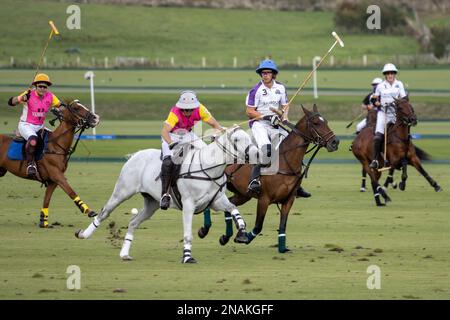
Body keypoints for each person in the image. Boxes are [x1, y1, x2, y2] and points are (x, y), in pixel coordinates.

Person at [245, 59, 310, 198]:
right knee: (266, 149)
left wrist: (284, 117)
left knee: (292, 147)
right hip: (259, 124)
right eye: (263, 73)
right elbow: (250, 111)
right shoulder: (256, 90)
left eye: (268, 72)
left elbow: (285, 106)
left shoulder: (280, 88)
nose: (265, 75)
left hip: (275, 124)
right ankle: (254, 180)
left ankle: (297, 185)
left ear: (273, 74)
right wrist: (266, 117)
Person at [160, 90, 223, 210]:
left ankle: (211, 187)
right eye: (185, 109)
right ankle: (165, 195)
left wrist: (216, 134)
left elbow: (216, 125)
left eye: (190, 109)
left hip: (188, 135)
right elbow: (164, 132)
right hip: (172, 136)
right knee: (169, 162)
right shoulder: (174, 112)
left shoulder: (200, 109)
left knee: (208, 154)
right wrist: (171, 143)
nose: (187, 112)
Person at [7, 73, 63, 177]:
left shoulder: (50, 96)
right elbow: (11, 102)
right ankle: (30, 165)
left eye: (45, 87)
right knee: (33, 140)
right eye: (40, 86)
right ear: (35, 86)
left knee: (55, 139)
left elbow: (60, 106)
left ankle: (48, 164)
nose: (42, 88)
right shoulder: (28, 94)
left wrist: (61, 110)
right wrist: (21, 98)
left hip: (40, 126)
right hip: (26, 125)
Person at [369, 63, 407, 169]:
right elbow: (374, 98)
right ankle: (375, 160)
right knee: (378, 136)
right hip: (383, 113)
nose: (390, 75)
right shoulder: (380, 86)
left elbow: (404, 98)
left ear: (395, 74)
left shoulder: (399, 84)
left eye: (392, 73)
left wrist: (399, 103)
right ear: (385, 75)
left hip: (395, 114)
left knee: (404, 132)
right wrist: (376, 103)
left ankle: (405, 155)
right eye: (388, 73)